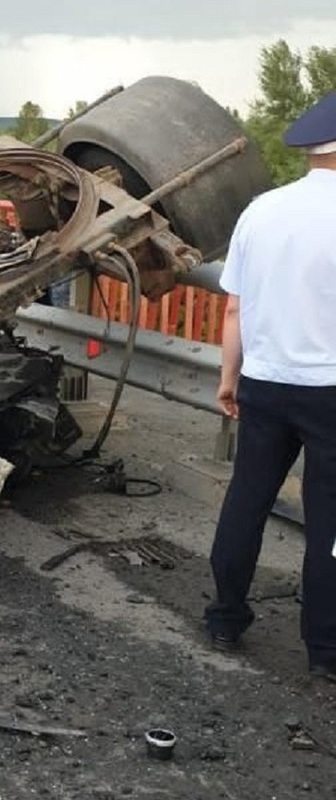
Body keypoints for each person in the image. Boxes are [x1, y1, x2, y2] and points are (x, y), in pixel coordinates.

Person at [204, 91, 336, 682]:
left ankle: (225, 618)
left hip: (264, 379)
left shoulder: (262, 210)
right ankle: (325, 649)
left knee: (247, 500)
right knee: (328, 522)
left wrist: (230, 379)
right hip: (331, 390)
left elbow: (234, 310)